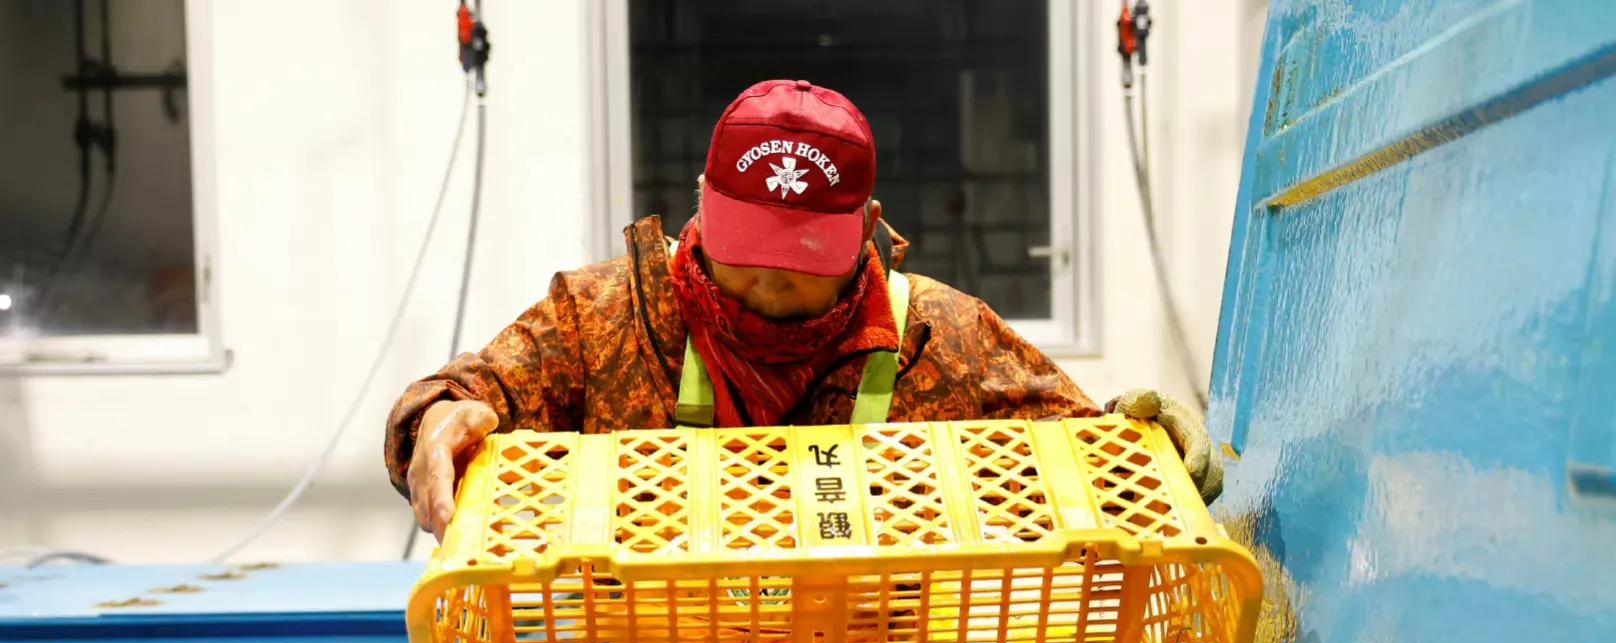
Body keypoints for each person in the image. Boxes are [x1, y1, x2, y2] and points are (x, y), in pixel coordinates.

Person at [385, 79, 1221, 539]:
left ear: (863, 230)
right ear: (701, 204)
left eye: (799, 262)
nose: (768, 286)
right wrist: (439, 419)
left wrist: (1145, 443)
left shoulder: (943, 338)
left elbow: (1078, 458)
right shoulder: (602, 316)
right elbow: (478, 391)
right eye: (744, 250)